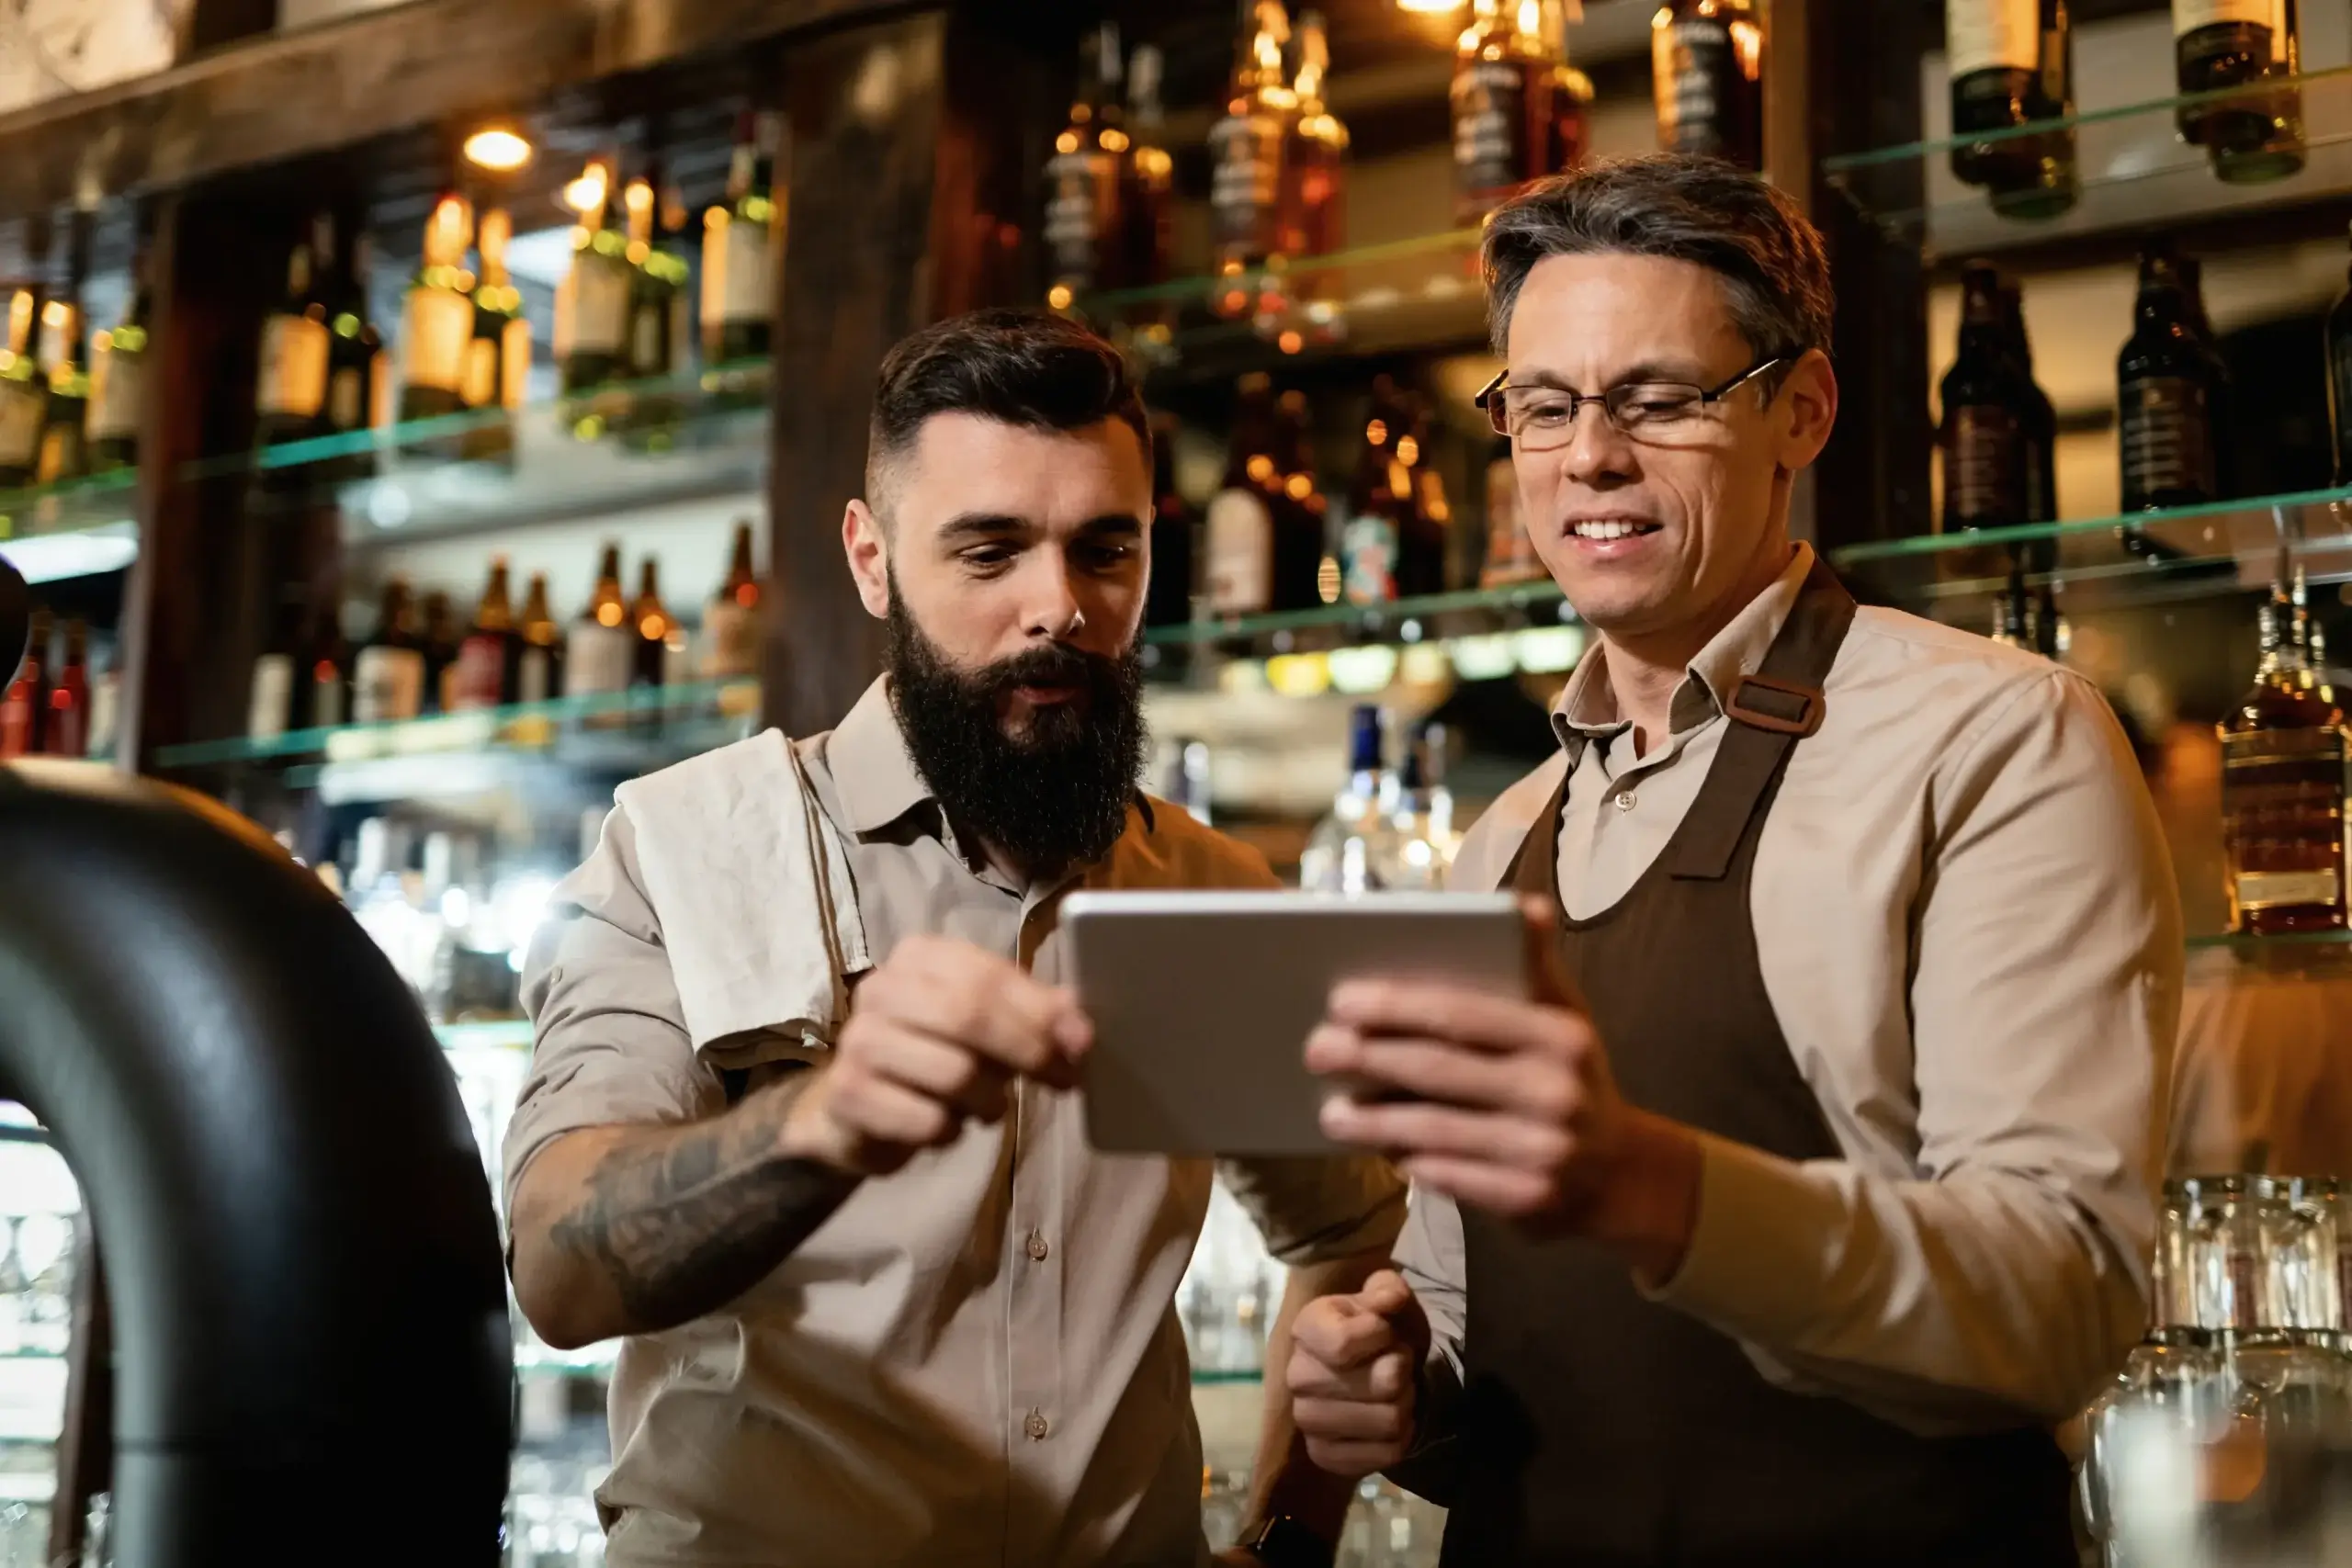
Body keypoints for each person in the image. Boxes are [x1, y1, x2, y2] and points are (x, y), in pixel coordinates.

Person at [1283, 155, 2181, 1564]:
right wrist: (1398, 1382)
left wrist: (1662, 1187)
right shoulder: (1500, 837)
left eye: (1659, 400)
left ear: (1800, 411)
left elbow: (2062, 1296)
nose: (1589, 456)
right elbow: (1474, 1305)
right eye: (1544, 405)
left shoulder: (1997, 738)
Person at [503, 309, 1403, 1568]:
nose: (1062, 609)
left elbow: (1350, 1239)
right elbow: (556, 1265)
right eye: (989, 553)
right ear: (872, 561)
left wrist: (1291, 1540)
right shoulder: (684, 843)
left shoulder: (1212, 894)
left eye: (1107, 551)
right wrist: (817, 1125)